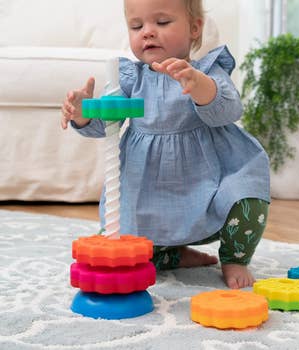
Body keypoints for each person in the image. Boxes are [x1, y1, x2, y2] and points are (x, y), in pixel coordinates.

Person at [61, 0, 270, 289]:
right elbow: (107, 127)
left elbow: (229, 109)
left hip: (208, 180)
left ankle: (234, 257)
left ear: (194, 28)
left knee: (247, 197)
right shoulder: (130, 79)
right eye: (137, 26)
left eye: (161, 23)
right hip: (148, 190)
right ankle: (174, 254)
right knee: (122, 255)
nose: (147, 32)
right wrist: (84, 113)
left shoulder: (208, 70)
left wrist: (199, 86)